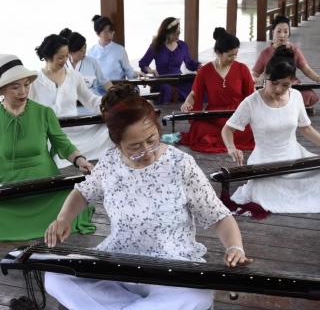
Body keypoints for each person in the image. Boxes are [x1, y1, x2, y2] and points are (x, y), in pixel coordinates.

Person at [44, 97, 252, 310]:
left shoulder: (180, 164)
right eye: (134, 147)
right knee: (55, 275)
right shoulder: (110, 161)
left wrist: (235, 247)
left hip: (171, 270)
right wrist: (63, 219)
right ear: (118, 145)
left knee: (197, 295)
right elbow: (83, 192)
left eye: (152, 140)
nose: (147, 152)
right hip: (118, 264)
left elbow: (218, 216)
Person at [0, 54, 95, 240]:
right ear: (1, 89)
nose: (23, 92)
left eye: (26, 84)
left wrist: (80, 160)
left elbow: (63, 144)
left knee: (72, 198)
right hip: (8, 190)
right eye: (15, 87)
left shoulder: (44, 113)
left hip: (44, 186)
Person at [221, 46, 320, 215]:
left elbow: (306, 129)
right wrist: (232, 148)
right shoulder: (251, 102)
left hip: (295, 157)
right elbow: (227, 129)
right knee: (266, 192)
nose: (279, 89)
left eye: (285, 85)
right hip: (265, 162)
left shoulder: (295, 96)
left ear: (293, 82)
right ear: (266, 76)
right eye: (274, 83)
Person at [29, 34, 112, 168]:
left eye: (67, 56)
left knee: (109, 130)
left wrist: (112, 103)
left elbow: (91, 100)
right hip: (48, 134)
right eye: (60, 57)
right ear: (48, 56)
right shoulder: (34, 80)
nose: (65, 60)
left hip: (74, 128)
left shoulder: (74, 76)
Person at [179, 27, 255, 153]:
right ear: (219, 53)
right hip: (215, 115)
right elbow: (194, 94)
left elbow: (251, 97)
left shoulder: (242, 69)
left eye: (236, 54)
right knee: (198, 127)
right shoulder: (204, 71)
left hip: (237, 115)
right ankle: (227, 138)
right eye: (230, 55)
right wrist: (187, 102)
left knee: (253, 129)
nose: (233, 58)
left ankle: (226, 137)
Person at [252, 15, 320, 108]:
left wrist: (318, 78)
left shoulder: (294, 50)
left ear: (289, 33)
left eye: (285, 31)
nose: (282, 35)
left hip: (291, 84)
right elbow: (254, 73)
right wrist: (258, 80)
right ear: (273, 32)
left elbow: (306, 69)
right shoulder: (265, 53)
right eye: (278, 31)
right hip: (273, 86)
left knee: (310, 96)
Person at [139, 17, 200, 104]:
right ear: (166, 33)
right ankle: (164, 113)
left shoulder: (182, 46)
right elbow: (143, 63)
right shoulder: (156, 45)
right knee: (166, 88)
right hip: (161, 81)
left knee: (196, 85)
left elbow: (189, 63)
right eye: (175, 33)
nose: (177, 35)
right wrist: (150, 70)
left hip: (178, 80)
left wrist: (199, 66)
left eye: (179, 33)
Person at [87, 15, 143, 80]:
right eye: (106, 33)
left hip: (117, 88)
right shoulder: (91, 52)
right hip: (97, 89)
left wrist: (137, 74)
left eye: (111, 32)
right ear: (97, 34)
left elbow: (128, 70)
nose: (110, 36)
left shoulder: (120, 50)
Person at [59, 28, 113, 96]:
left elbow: (104, 82)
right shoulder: (60, 65)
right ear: (70, 52)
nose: (84, 52)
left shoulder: (92, 62)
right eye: (81, 51)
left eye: (85, 48)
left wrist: (115, 92)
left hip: (91, 102)